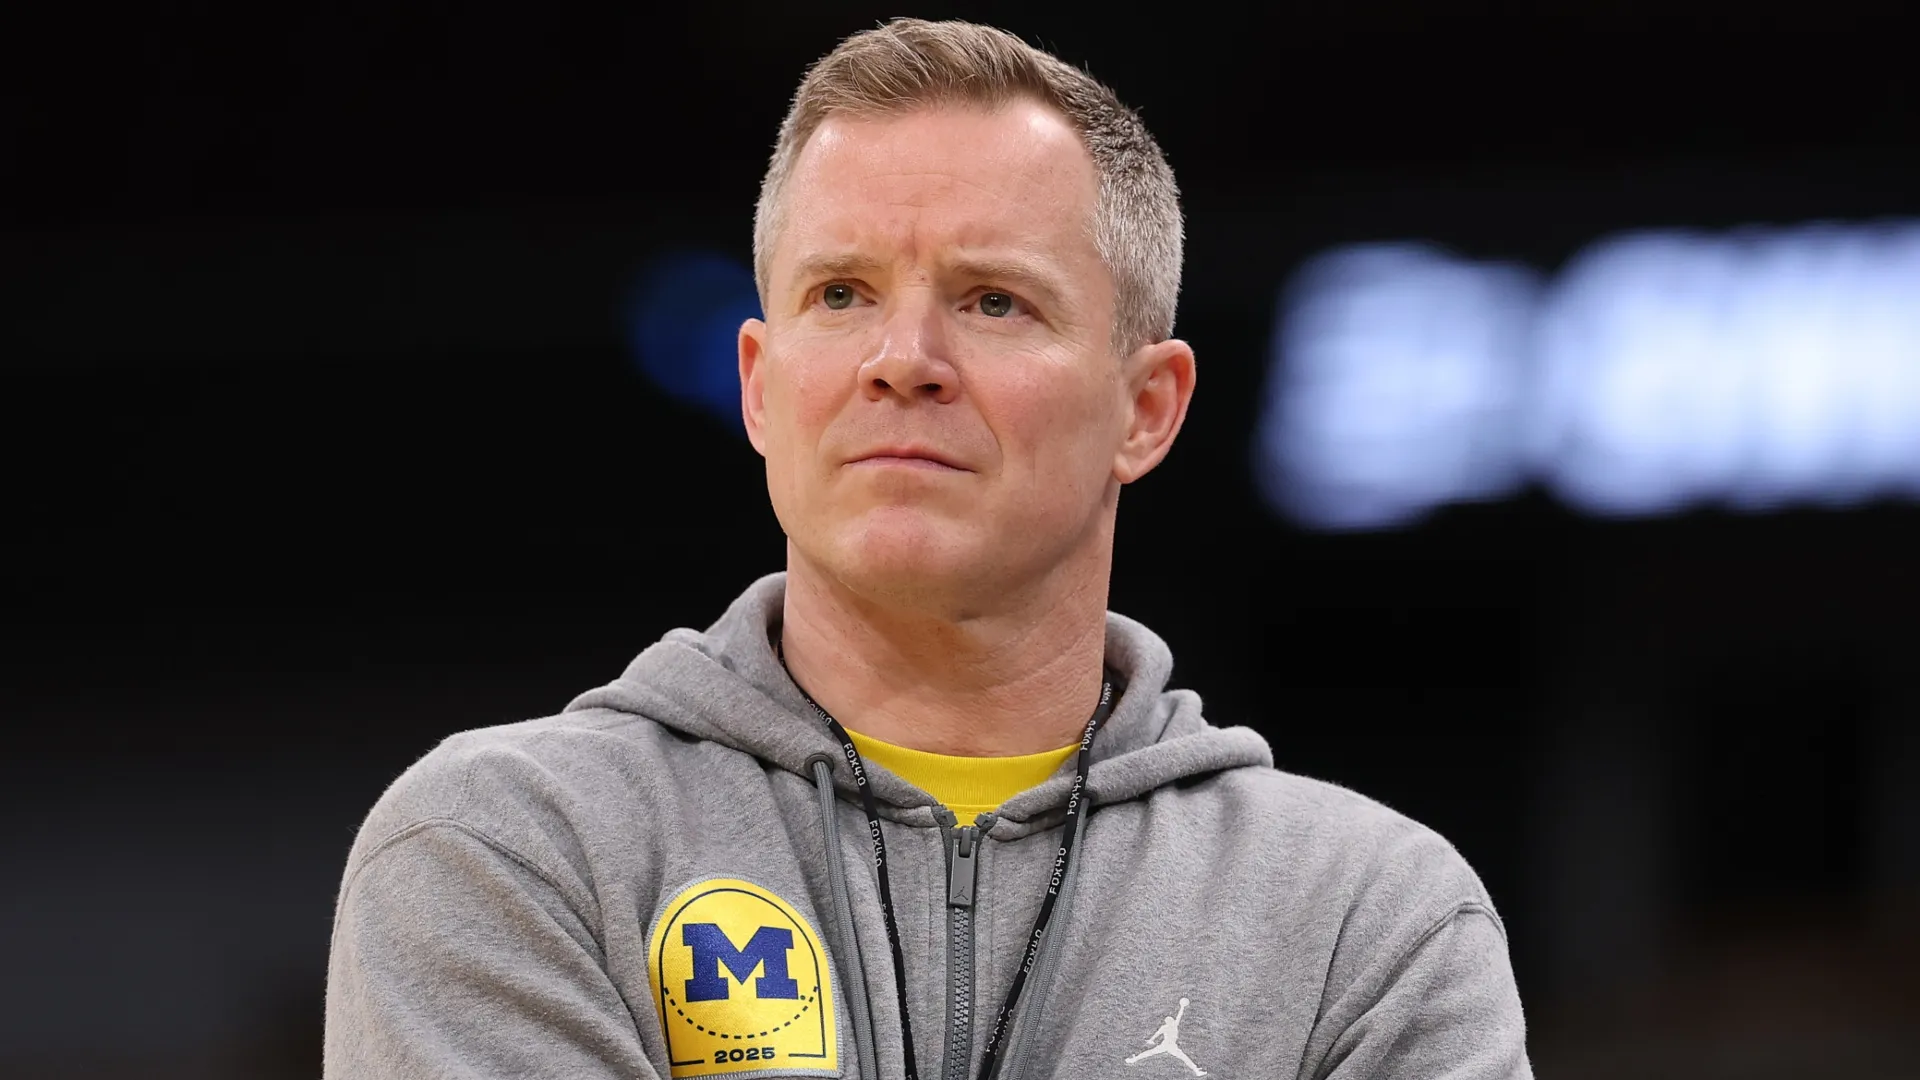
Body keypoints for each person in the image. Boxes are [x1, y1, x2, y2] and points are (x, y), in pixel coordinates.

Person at [324, 17, 1531, 1080]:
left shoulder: (1362, 925)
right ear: (759, 387)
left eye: (993, 300)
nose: (902, 358)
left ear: (1146, 409)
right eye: (841, 294)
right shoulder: (515, 853)